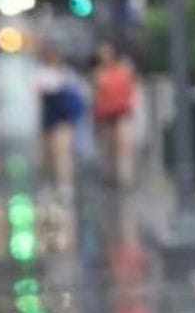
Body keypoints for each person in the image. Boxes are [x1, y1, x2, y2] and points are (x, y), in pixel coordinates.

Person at [35, 45, 85, 204]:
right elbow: (39, 92)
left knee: (63, 153)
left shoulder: (67, 74)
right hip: (49, 118)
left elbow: (79, 93)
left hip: (62, 119)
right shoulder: (42, 73)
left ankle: (64, 186)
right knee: (49, 155)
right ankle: (51, 184)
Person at [93, 40, 138, 188]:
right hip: (105, 114)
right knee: (109, 146)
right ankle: (111, 174)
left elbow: (132, 88)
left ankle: (125, 177)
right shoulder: (98, 73)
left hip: (122, 112)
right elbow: (96, 96)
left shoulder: (124, 68)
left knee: (124, 145)